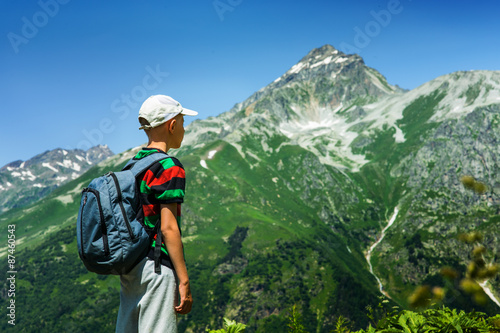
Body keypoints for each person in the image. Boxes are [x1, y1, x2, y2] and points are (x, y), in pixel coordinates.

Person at [116, 94, 196, 333]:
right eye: (182, 122)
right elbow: (168, 228)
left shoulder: (132, 166)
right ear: (172, 125)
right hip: (157, 268)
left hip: (130, 268)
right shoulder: (169, 167)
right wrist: (184, 280)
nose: (184, 128)